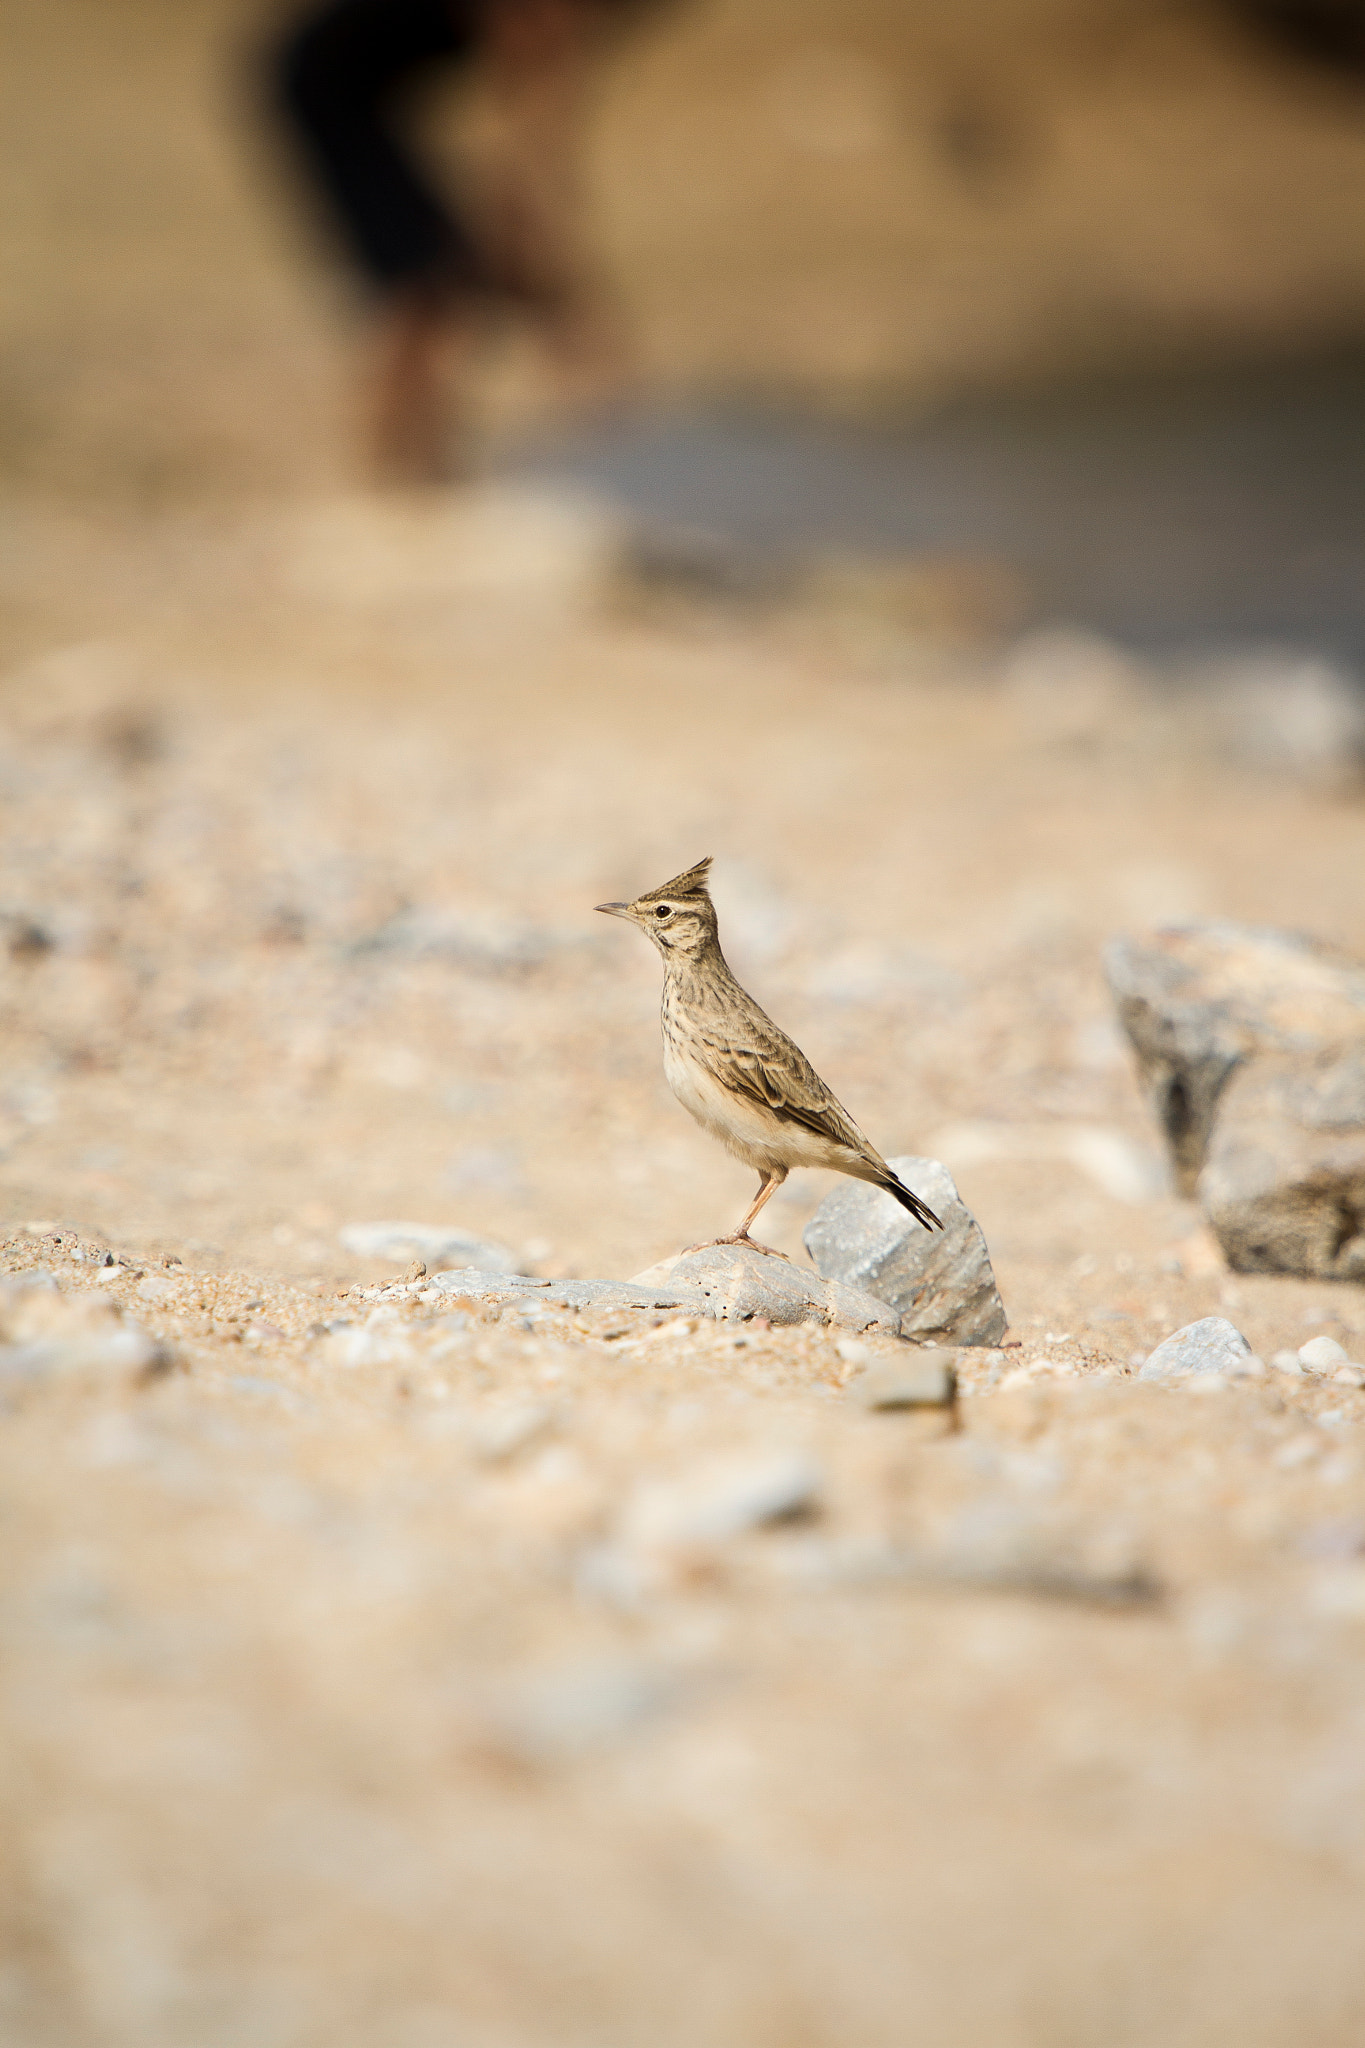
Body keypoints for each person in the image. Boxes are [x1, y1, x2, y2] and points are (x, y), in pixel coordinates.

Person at [270, 0, 648, 483]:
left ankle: (410, 466)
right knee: (424, 281)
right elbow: (527, 95)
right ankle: (395, 474)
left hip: (363, 92)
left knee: (439, 273)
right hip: (328, 85)